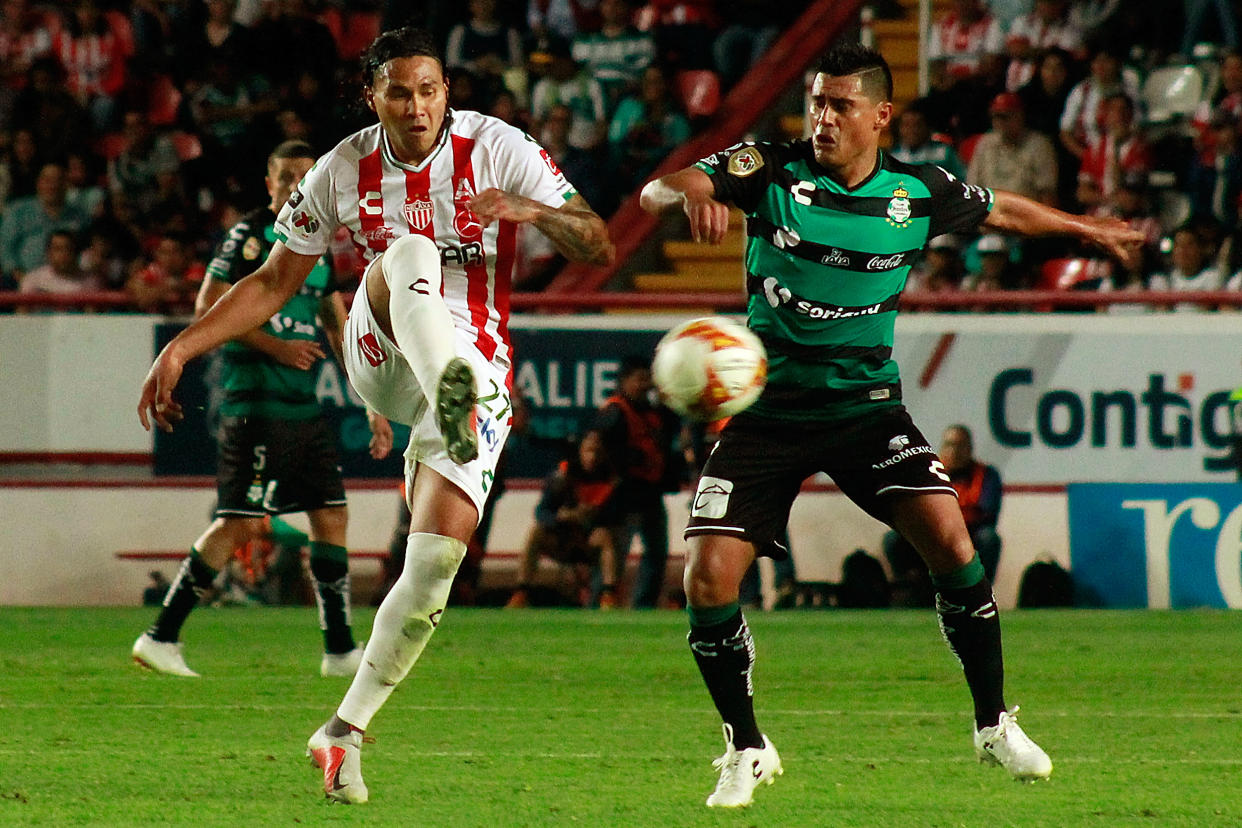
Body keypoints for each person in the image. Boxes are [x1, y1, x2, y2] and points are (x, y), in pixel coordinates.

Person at [639, 41, 1143, 808]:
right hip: (766, 416)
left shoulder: (916, 192)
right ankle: (745, 746)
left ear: (880, 116)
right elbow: (656, 190)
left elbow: (1002, 207)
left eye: (840, 105)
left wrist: (1085, 227)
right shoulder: (768, 169)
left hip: (868, 411)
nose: (823, 118)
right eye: (815, 101)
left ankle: (993, 724)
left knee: (951, 539)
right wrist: (689, 194)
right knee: (706, 581)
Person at [136, 26, 613, 804]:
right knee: (411, 253)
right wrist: (182, 349)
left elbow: (598, 245)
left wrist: (526, 207)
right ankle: (451, 387)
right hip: (386, 350)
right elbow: (271, 280)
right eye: (400, 92)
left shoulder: (498, 145)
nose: (417, 106)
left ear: (446, 91)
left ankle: (344, 731)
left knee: (433, 568)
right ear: (373, 96)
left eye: (429, 90)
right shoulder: (340, 168)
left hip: (479, 365)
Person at [131, 140, 390, 679]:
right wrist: (276, 347)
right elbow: (208, 307)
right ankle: (160, 636)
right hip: (255, 402)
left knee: (331, 515)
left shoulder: (315, 244)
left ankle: (340, 649)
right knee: (242, 524)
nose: (298, 186)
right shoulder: (250, 236)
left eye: (306, 176)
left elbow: (338, 326)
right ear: (268, 184)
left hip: (301, 406)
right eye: (287, 176)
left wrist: (371, 403)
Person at [592, 355, 682, 608]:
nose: (645, 385)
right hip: (625, 492)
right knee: (616, 552)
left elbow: (672, 427)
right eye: (639, 379)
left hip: (650, 491)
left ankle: (644, 604)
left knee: (656, 551)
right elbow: (603, 448)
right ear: (624, 381)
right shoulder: (614, 411)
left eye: (648, 379)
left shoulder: (652, 412)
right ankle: (599, 600)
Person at [883, 425, 1004, 605]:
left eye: (960, 446)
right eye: (950, 445)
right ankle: (909, 590)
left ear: (970, 448)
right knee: (893, 538)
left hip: (969, 535)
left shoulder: (986, 475)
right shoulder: (928, 472)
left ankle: (979, 596)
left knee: (989, 538)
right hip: (930, 534)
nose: (955, 451)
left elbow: (986, 513)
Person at [505, 429, 621, 608]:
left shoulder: (610, 479)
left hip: (588, 540)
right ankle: (521, 592)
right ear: (580, 451)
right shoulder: (562, 476)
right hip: (561, 538)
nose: (593, 457)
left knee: (605, 536)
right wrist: (562, 517)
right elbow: (541, 512)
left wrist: (592, 516)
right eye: (589, 451)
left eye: (597, 452)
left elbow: (616, 517)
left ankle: (608, 595)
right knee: (535, 532)